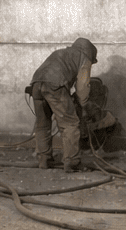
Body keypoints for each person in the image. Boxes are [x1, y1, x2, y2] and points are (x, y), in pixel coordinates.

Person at [28, 37, 97, 171]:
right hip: (55, 85)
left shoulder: (61, 53)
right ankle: (72, 162)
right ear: (90, 53)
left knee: (42, 124)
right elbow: (83, 88)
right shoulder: (84, 58)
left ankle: (44, 159)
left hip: (36, 84)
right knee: (70, 124)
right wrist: (84, 106)